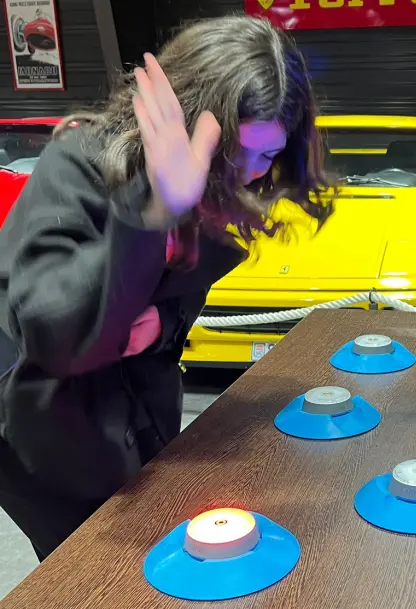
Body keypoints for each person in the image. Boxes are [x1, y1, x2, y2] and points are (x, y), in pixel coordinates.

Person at [0, 14, 332, 561]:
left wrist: (160, 325)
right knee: (90, 571)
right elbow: (52, 336)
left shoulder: (220, 188)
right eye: (236, 153)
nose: (250, 175)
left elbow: (178, 297)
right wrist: (154, 211)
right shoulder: (77, 164)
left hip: (142, 420)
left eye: (267, 156)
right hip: (48, 438)